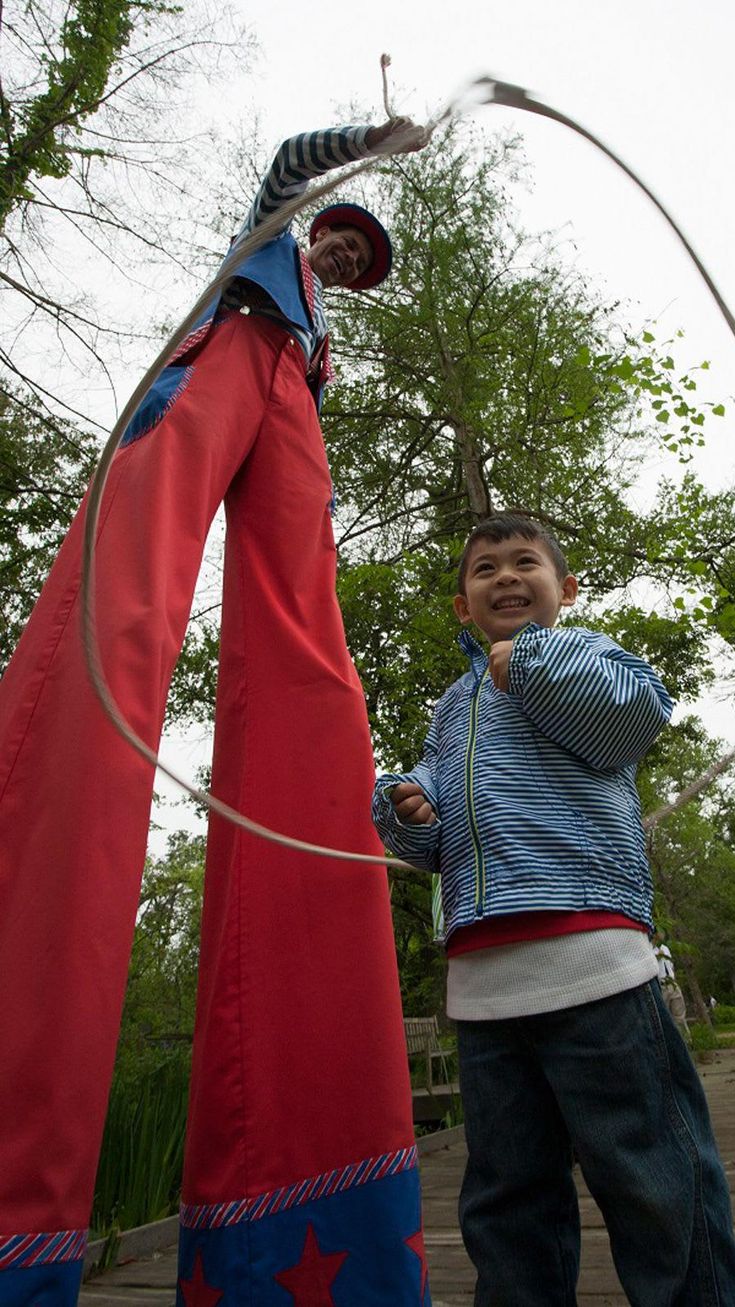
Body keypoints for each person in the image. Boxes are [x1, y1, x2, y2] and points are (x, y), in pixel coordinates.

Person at [0, 119, 431, 1306]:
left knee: (305, 642)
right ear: (324, 227)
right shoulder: (263, 257)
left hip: (284, 407)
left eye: (356, 265)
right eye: (344, 244)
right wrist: (378, 140)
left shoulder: (317, 344)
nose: (344, 262)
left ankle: (291, 1232)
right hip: (224, 364)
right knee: (130, 583)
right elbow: (297, 159)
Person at [372, 514, 735, 1306]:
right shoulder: (452, 707)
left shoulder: (583, 652)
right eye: (485, 569)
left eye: (524, 562)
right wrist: (410, 811)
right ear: (462, 605)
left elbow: (633, 717)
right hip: (482, 988)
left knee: (654, 1181)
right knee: (508, 1203)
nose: (505, 577)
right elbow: (431, 833)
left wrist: (533, 664)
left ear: (566, 588)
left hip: (592, 962)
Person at [652, 932, 691, 1038]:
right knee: (664, 1015)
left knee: (679, 1014)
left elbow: (670, 965)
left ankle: (686, 1039)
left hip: (672, 982)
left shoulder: (665, 948)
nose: (662, 934)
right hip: (660, 984)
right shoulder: (648, 949)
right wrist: (656, 958)